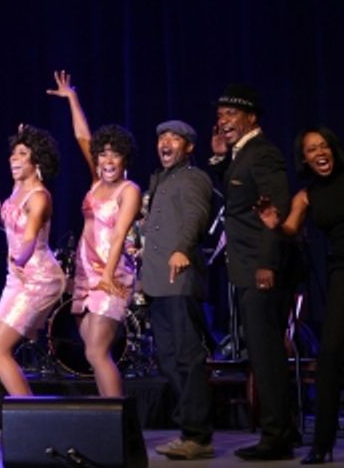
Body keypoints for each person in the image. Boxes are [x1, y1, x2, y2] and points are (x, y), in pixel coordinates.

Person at [209, 83, 297, 460]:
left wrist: (266, 263)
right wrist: (219, 160)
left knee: (266, 355)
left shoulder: (263, 154)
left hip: (260, 269)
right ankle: (283, 430)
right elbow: (238, 200)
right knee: (261, 353)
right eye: (220, 116)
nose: (223, 121)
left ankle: (276, 436)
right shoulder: (240, 155)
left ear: (251, 117)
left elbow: (273, 211)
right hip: (244, 267)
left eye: (231, 115)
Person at [48, 70, 141, 397]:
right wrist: (72, 99)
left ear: (124, 157)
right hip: (85, 274)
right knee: (91, 350)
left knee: (96, 351)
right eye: (103, 154)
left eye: (114, 154)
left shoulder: (129, 190)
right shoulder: (96, 182)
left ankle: (119, 419)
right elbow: (83, 138)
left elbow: (118, 235)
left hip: (110, 273)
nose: (106, 159)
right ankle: (111, 415)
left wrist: (107, 275)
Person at [258, 126, 343, 464]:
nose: (319, 153)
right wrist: (274, 224)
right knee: (331, 355)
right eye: (311, 149)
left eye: (324, 146)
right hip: (341, 271)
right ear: (304, 158)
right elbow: (290, 230)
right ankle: (321, 444)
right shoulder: (305, 197)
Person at [137, 120, 215, 460]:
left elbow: (196, 215)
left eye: (174, 138)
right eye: (161, 138)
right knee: (169, 359)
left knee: (187, 357)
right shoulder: (158, 179)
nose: (165, 143)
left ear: (189, 147)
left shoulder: (194, 178)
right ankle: (188, 432)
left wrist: (182, 247)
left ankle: (198, 435)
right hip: (157, 281)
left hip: (180, 278)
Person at [0, 126, 66, 396]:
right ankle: (29, 415)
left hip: (38, 277)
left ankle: (32, 419)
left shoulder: (40, 197)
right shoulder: (18, 187)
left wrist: (18, 258)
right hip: (17, 277)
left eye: (22, 154)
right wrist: (24, 135)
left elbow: (29, 239)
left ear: (37, 161)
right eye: (12, 154)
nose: (14, 159)